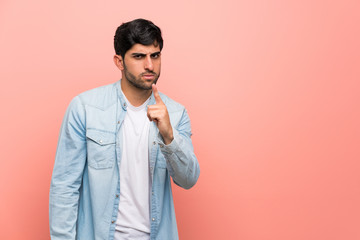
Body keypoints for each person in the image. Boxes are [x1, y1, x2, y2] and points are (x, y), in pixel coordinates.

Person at [49, 18, 200, 240]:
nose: (150, 65)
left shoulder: (175, 113)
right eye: (139, 56)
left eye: (155, 55)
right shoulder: (85, 108)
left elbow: (188, 180)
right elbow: (64, 187)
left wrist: (169, 136)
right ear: (119, 61)